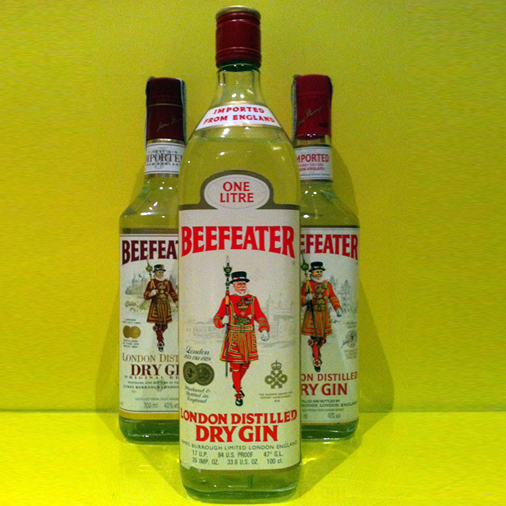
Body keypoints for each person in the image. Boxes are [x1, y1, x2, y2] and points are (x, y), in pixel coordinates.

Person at [214, 271, 270, 406]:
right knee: (236, 366)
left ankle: (236, 382)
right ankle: (238, 392)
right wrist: (222, 321)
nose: (242, 286)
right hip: (234, 336)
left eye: (244, 284)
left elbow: (259, 315)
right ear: (233, 285)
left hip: (249, 336)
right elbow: (217, 317)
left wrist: (264, 329)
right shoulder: (228, 300)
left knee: (246, 364)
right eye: (239, 284)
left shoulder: (253, 299)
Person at [301, 261, 342, 372]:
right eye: (316, 271)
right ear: (312, 272)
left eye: (320, 271)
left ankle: (315, 348)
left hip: (324, 315)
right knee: (315, 338)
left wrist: (337, 308)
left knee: (323, 338)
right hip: (313, 314)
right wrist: (307, 298)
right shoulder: (307, 284)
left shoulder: (327, 285)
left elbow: (332, 297)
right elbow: (301, 299)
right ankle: (316, 359)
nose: (319, 273)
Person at [144, 264, 178, 351]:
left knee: (165, 326)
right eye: (159, 272)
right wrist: (151, 293)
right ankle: (160, 341)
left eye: (162, 272)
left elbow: (172, 292)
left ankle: (158, 333)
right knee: (158, 324)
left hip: (165, 306)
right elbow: (145, 296)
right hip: (156, 306)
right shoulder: (151, 283)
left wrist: (176, 301)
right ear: (155, 273)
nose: (161, 273)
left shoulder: (167, 282)